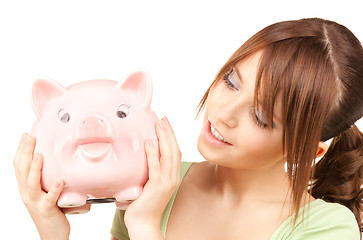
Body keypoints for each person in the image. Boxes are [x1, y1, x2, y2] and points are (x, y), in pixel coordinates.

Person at [14, 18, 362, 240]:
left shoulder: (327, 230)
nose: (223, 112)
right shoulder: (157, 186)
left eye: (260, 117)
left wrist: (147, 228)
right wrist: (52, 233)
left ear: (307, 151)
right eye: (231, 81)